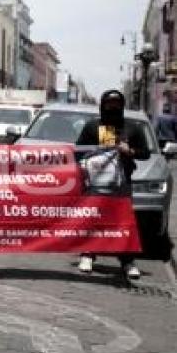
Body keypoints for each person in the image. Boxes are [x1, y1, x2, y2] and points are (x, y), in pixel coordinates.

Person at [76, 89, 149, 280]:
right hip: (96, 183)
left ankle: (127, 261)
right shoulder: (94, 127)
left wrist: (130, 150)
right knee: (93, 219)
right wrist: (92, 155)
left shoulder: (132, 128)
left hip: (122, 183)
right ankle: (88, 254)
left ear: (122, 105)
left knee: (123, 222)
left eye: (117, 104)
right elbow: (77, 150)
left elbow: (145, 153)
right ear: (102, 105)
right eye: (109, 104)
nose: (113, 107)